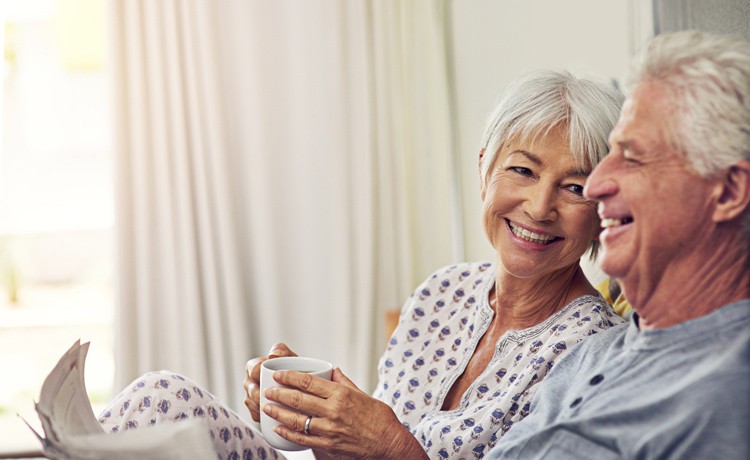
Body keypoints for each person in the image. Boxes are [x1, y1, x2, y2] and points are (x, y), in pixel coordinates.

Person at [98, 70, 626, 459]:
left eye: (574, 187)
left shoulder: (595, 351)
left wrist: (392, 443)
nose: (539, 207)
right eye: (522, 171)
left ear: (604, 207)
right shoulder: (443, 292)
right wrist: (313, 415)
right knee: (158, 397)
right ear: (484, 170)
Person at [486, 30, 750, 460]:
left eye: (632, 157)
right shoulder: (592, 356)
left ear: (728, 191)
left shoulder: (728, 390)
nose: (596, 186)